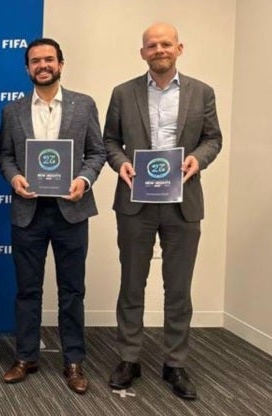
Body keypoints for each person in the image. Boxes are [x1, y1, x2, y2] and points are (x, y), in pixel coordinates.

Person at [104, 23, 222, 401]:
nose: (159, 50)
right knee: (131, 284)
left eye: (165, 44)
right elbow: (110, 141)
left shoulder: (202, 92)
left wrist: (198, 160)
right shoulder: (123, 93)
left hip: (182, 203)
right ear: (143, 53)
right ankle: (129, 358)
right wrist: (120, 163)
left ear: (179, 48)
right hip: (135, 202)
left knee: (179, 288)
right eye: (151, 45)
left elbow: (213, 138)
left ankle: (175, 362)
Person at [0, 38, 106, 394]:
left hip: (70, 211)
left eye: (48, 59)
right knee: (27, 290)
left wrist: (83, 180)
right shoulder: (12, 111)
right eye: (35, 61)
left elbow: (97, 152)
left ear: (60, 63)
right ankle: (25, 356)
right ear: (27, 68)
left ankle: (74, 360)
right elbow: (5, 155)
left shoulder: (83, 105)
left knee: (72, 290)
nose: (42, 65)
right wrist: (14, 177)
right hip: (28, 211)